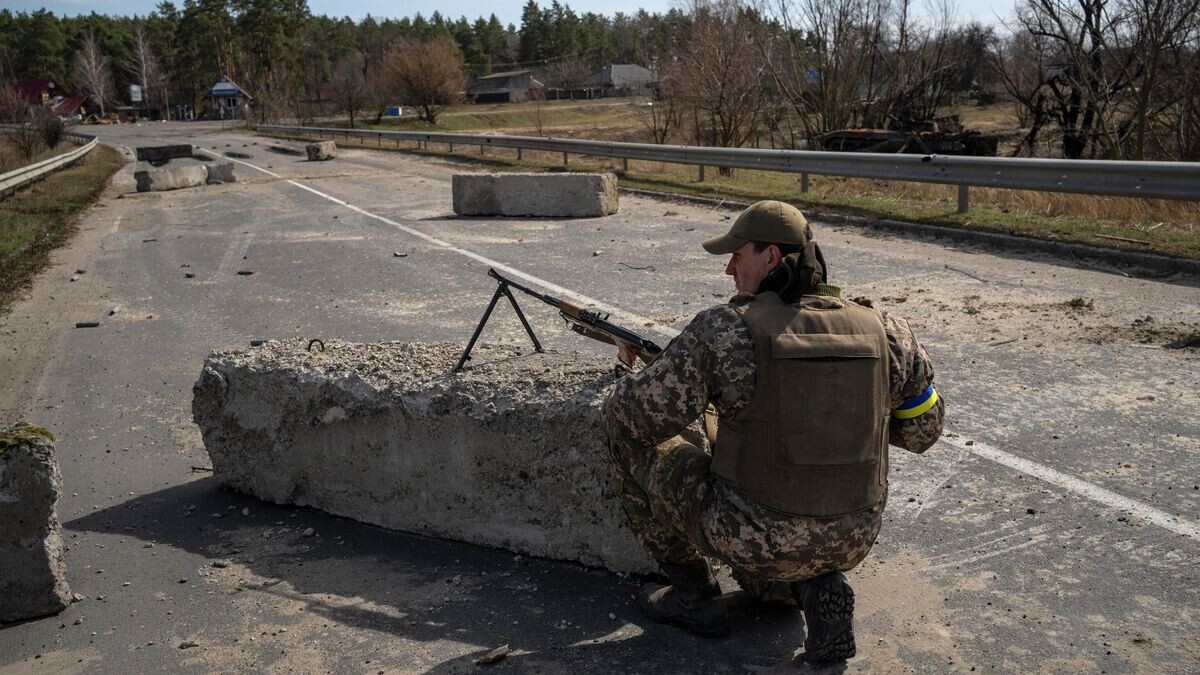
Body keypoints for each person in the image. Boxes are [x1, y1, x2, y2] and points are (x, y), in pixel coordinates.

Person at [601, 200, 944, 664]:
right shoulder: (887, 331)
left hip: (754, 534)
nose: (728, 268)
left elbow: (632, 419)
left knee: (636, 446)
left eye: (737, 255)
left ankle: (693, 595)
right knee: (781, 531)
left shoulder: (726, 329)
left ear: (771, 258)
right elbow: (924, 431)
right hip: (852, 537)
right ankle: (812, 587)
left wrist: (633, 378)